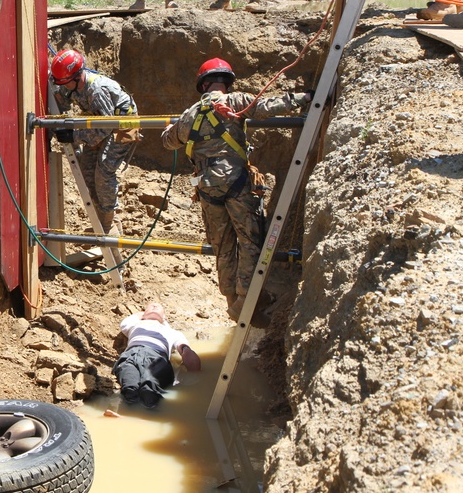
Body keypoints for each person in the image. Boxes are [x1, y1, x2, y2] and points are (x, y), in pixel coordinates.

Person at [160, 58, 312, 324]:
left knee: (223, 245)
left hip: (207, 187)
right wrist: (305, 96)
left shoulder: (191, 113)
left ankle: (230, 298)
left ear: (203, 84)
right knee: (249, 241)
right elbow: (268, 107)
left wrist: (169, 130)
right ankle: (244, 301)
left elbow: (168, 142)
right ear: (226, 82)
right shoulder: (235, 102)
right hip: (236, 182)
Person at [50, 49, 138, 235]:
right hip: (100, 120)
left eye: (66, 83)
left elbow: (104, 128)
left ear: (76, 77)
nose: (64, 86)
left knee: (104, 171)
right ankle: (107, 221)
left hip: (121, 124)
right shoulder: (72, 83)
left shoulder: (96, 91)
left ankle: (107, 227)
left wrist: (74, 136)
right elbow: (61, 98)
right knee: (87, 171)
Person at [112, 302, 201, 409]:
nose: (154, 306)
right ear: (143, 315)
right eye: (150, 306)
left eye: (158, 307)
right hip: (132, 354)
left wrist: (194, 373)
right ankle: (129, 412)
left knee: (149, 388)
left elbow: (186, 351)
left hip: (157, 357)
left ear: (164, 317)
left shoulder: (172, 332)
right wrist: (146, 314)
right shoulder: (134, 324)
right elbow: (131, 318)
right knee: (130, 387)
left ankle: (149, 412)